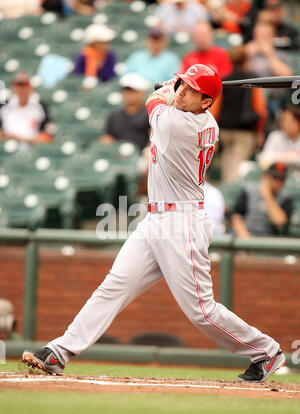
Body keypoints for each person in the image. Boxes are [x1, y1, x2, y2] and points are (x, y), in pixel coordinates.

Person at [22, 64, 285, 384]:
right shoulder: (203, 118)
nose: (182, 92)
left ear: (205, 103)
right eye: (182, 86)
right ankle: (59, 352)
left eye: (191, 90)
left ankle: (266, 350)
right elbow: (168, 98)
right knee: (113, 285)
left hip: (182, 222)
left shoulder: (178, 124)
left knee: (201, 312)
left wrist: (165, 86)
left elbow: (153, 102)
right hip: (156, 218)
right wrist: (179, 84)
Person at [212, 45, 268, 183]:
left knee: (228, 163)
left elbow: (214, 109)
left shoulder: (224, 80)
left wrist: (213, 133)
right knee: (236, 170)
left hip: (224, 131)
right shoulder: (252, 80)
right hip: (244, 132)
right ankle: (230, 196)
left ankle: (226, 192)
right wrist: (260, 131)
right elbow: (260, 109)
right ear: (246, 60)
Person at [232, 162, 293, 237]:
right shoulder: (249, 190)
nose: (278, 182)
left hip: (268, 238)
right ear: (266, 177)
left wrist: (268, 196)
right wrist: (245, 236)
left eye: (281, 179)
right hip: (245, 234)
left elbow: (279, 222)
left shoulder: (286, 197)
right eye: (275, 177)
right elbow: (237, 217)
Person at [0, 71, 55, 145]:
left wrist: (20, 139)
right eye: (19, 85)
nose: (22, 89)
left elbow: (48, 136)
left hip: (33, 149)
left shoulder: (41, 107)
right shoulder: (3, 106)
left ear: (31, 87)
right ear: (13, 87)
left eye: (25, 85)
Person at [100, 73, 151, 151]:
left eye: (133, 91)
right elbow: (108, 137)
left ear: (142, 93)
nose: (129, 95)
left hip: (143, 157)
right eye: (126, 91)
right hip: (118, 156)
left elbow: (153, 140)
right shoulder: (114, 114)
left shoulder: (149, 114)